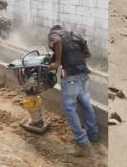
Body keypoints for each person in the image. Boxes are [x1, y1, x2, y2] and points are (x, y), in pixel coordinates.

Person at [48, 25, 99, 157]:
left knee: (69, 108)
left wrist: (58, 61)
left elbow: (57, 42)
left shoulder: (54, 35)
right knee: (86, 103)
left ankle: (82, 143)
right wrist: (73, 56)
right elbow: (87, 54)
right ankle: (93, 135)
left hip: (71, 76)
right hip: (83, 74)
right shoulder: (76, 36)